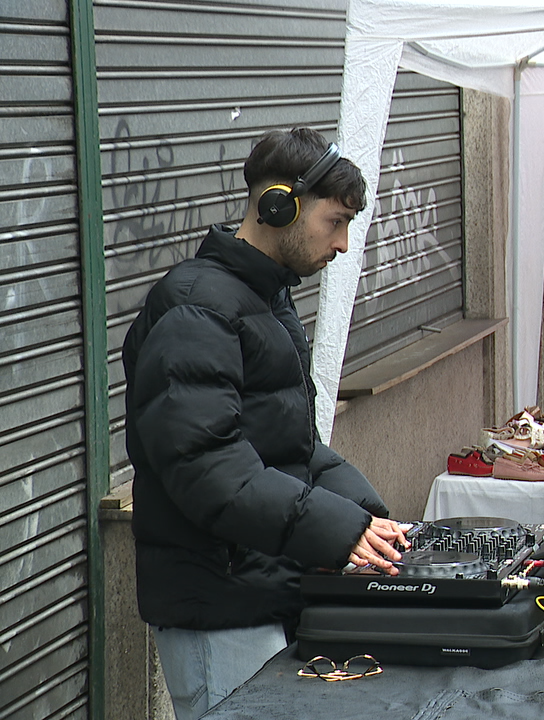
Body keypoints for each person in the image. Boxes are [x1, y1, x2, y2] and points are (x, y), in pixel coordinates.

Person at [122, 127, 408, 720]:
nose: (344, 244)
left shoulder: (264, 300)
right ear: (279, 205)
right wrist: (338, 529)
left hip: (262, 593)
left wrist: (371, 522)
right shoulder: (196, 308)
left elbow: (295, 449)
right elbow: (208, 467)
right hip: (220, 613)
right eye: (335, 222)